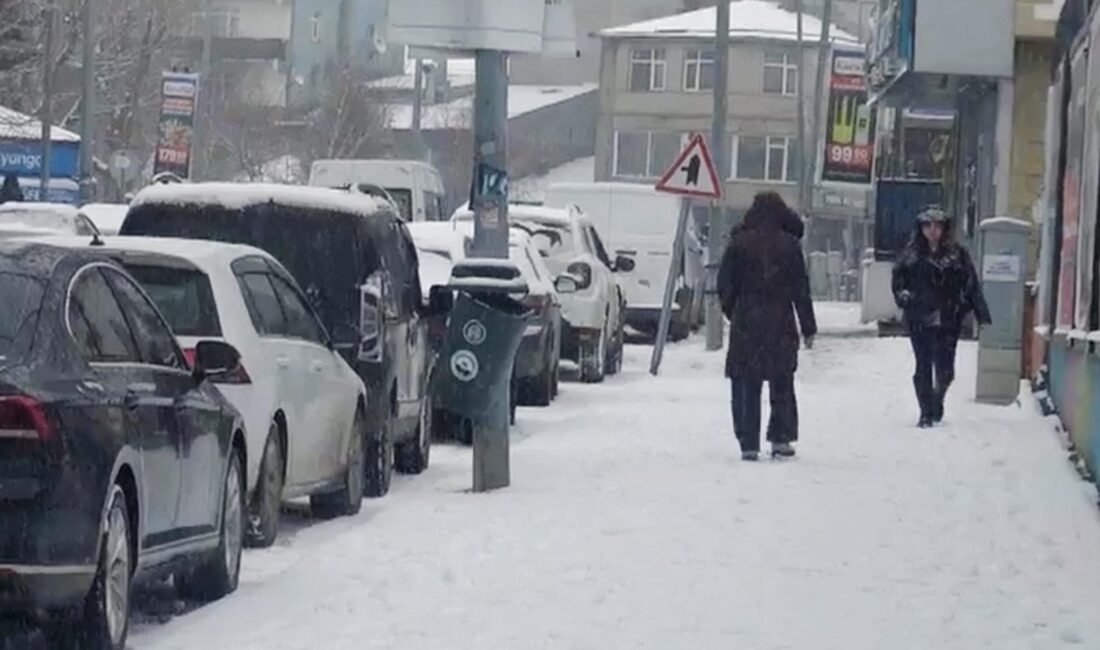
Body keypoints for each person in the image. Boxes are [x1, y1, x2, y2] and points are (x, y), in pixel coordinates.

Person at [718, 192, 817, 461]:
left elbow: (725, 285)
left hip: (747, 321)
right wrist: (808, 327)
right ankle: (780, 438)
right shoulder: (789, 246)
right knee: (782, 381)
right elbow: (801, 290)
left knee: (746, 384)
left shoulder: (738, 242)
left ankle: (748, 442)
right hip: (780, 320)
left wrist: (734, 311)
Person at [892, 206, 992, 428]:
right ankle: (925, 412)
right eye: (927, 226)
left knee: (946, 369)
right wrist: (904, 297)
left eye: (937, 226)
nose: (933, 231)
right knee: (923, 365)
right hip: (920, 316)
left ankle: (938, 398)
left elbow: (971, 283)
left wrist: (978, 311)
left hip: (949, 317)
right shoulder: (911, 255)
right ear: (921, 228)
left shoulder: (957, 254)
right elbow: (898, 280)